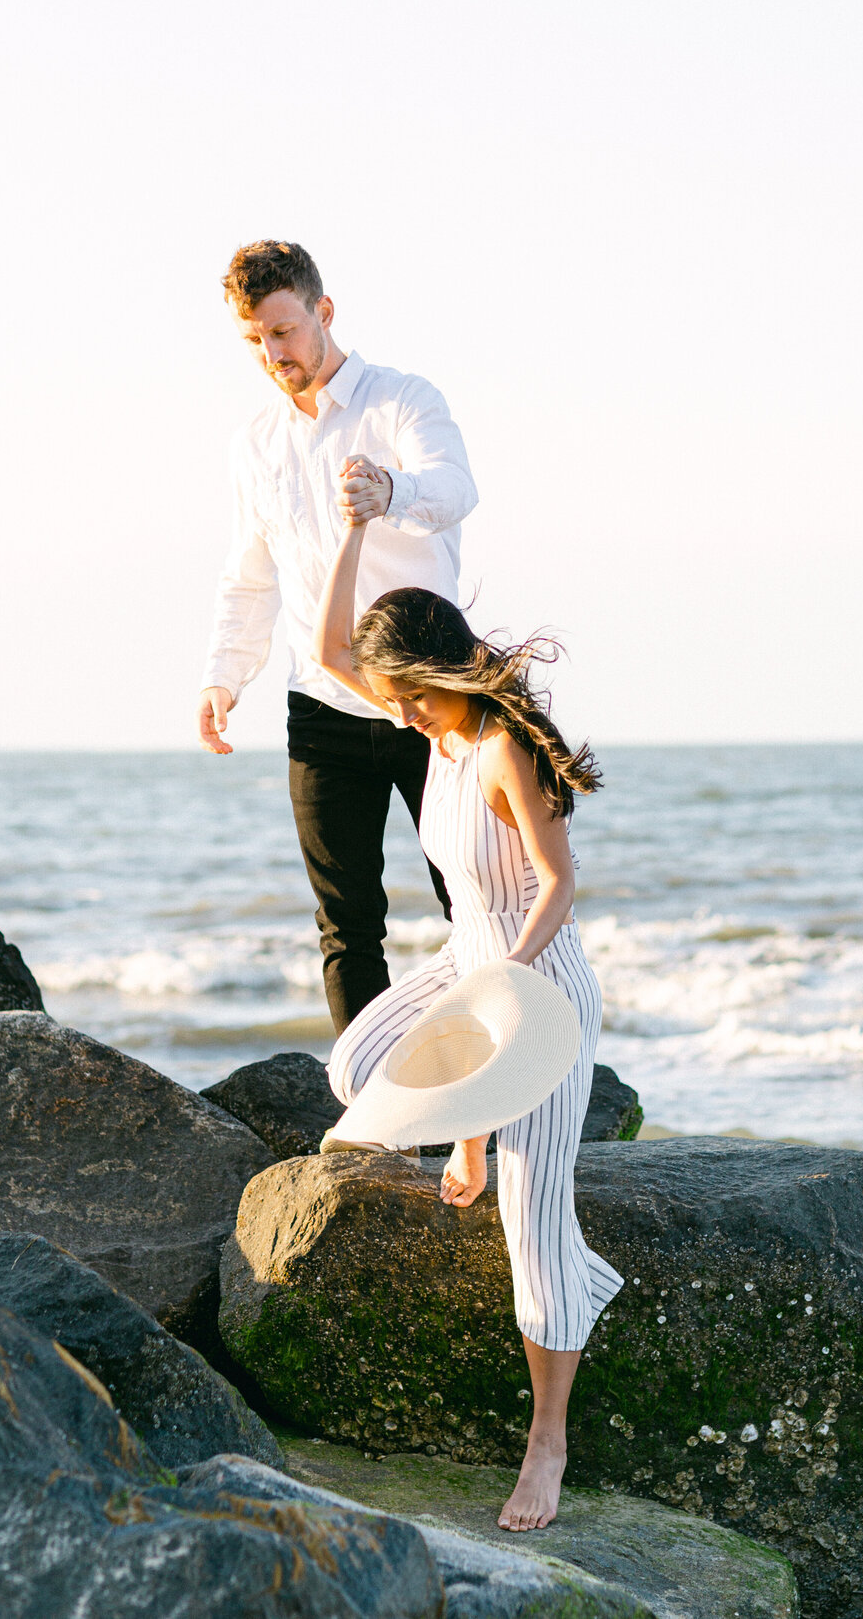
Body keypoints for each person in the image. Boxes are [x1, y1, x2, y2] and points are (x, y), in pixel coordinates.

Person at [311, 489, 624, 1534]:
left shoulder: (497, 745)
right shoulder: (433, 731)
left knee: (531, 1240)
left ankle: (550, 1438)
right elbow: (326, 648)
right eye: (394, 700)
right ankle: (474, 1134)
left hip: (537, 980)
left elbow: (556, 881)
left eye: (408, 698)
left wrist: (512, 980)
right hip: (471, 965)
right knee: (358, 1070)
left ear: (440, 677)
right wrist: (353, 529)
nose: (398, 716)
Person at [197, 240, 478, 1031]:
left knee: (474, 900)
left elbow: (457, 490)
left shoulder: (403, 400)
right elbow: (250, 573)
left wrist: (393, 489)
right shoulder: (254, 443)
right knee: (347, 927)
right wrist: (224, 676)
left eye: (282, 332)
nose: (271, 353)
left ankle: (496, 1090)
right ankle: (379, 1110)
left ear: (324, 311)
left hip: (433, 700)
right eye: (254, 341)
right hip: (322, 706)